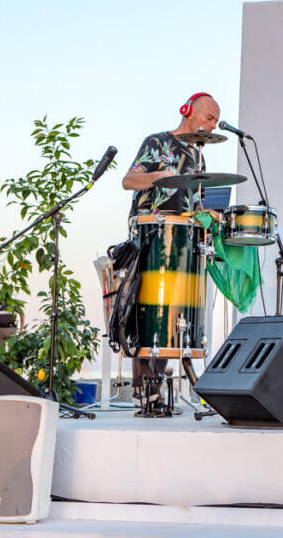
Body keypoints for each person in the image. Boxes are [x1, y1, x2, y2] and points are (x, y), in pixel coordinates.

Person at [121, 92, 220, 408]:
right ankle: (143, 388)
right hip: (151, 232)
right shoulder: (157, 142)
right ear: (189, 112)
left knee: (173, 312)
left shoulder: (198, 156)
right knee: (148, 307)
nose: (213, 125)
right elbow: (128, 181)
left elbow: (195, 201)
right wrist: (155, 177)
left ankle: (158, 383)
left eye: (216, 121)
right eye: (209, 118)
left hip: (182, 238)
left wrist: (209, 213)